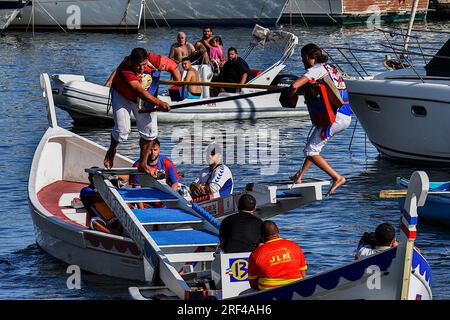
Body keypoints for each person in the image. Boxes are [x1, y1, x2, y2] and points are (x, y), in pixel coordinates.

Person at [288, 43, 352, 196]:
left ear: (311, 58)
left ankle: (337, 177)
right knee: (313, 146)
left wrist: (290, 92)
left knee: (310, 151)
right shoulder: (329, 68)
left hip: (336, 117)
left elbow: (295, 85)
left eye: (303, 58)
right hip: (343, 115)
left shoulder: (316, 69)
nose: (302, 62)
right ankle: (300, 176)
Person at [102, 48, 171, 175]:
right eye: (138, 66)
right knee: (122, 131)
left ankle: (143, 164)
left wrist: (178, 87)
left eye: (144, 65)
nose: (141, 68)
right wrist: (159, 102)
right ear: (131, 62)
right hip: (123, 95)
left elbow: (172, 66)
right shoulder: (125, 68)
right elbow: (140, 91)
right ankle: (112, 150)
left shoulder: (153, 59)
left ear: (147, 60)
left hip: (141, 97)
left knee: (150, 132)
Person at [248, 221, 307, 291]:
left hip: (268, 292)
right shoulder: (294, 246)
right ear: (278, 230)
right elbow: (303, 274)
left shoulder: (255, 253)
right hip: (296, 288)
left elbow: (253, 283)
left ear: (261, 235)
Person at [80, 170, 124, 235]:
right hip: (98, 218)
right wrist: (109, 188)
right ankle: (117, 235)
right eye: (94, 177)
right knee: (95, 222)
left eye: (98, 177)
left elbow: (124, 179)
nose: (96, 179)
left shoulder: (108, 186)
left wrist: (111, 176)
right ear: (89, 178)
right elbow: (98, 197)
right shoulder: (86, 190)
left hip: (114, 217)